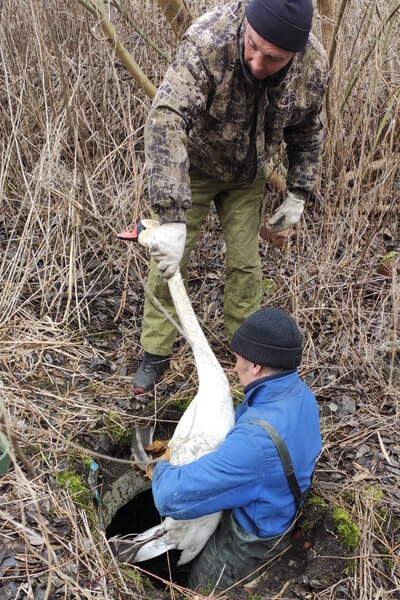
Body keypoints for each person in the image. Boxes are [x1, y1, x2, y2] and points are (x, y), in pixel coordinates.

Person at [133, 0, 329, 392]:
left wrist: (297, 194)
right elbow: (167, 114)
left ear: (295, 51)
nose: (257, 63)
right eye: (253, 46)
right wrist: (170, 214)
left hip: (248, 175)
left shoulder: (312, 67)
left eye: (273, 58)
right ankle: (155, 352)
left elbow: (307, 130)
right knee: (170, 262)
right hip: (195, 167)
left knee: (245, 263)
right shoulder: (210, 39)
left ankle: (249, 353)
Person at [150, 307, 321, 590]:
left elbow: (169, 498)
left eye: (238, 357)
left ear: (256, 366)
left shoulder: (254, 444)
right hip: (276, 508)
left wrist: (161, 465)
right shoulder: (301, 396)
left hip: (245, 544)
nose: (234, 365)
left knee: (202, 584)